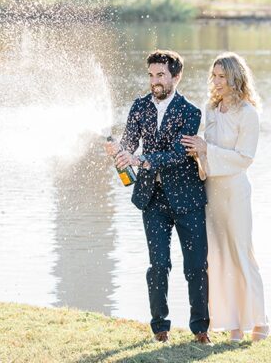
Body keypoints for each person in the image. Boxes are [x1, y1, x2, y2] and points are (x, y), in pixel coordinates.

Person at [106, 49, 210, 344]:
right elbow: (129, 142)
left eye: (161, 75)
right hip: (152, 199)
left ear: (176, 76)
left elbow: (179, 153)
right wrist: (119, 151)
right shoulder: (139, 107)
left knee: (196, 267)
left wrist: (141, 160)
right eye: (151, 75)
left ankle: (201, 330)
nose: (155, 81)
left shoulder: (191, 112)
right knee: (158, 265)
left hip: (187, 199)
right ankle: (160, 329)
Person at [182, 52, 269, 344]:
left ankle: (259, 320)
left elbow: (245, 159)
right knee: (218, 257)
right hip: (212, 192)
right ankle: (233, 325)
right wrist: (198, 154)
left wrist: (207, 150)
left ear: (235, 78)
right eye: (214, 76)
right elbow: (208, 152)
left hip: (235, 193)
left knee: (241, 253)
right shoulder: (211, 109)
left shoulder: (248, 114)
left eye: (222, 76)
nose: (216, 82)